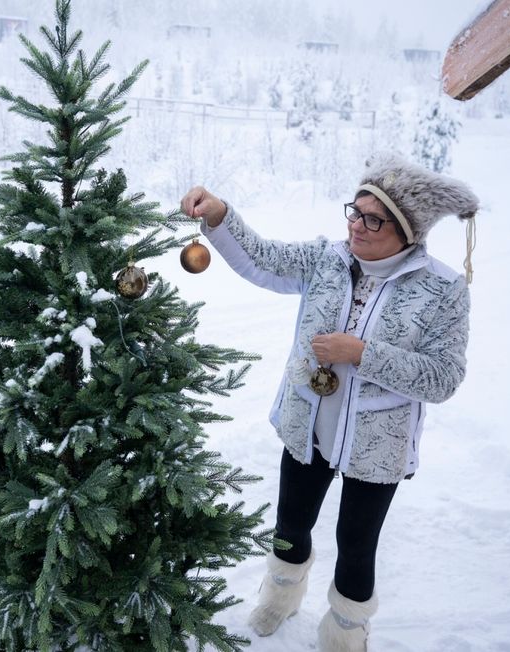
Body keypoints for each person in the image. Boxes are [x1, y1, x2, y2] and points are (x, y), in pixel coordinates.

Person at [180, 153, 479, 652]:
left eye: (373, 219)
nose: (356, 226)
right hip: (308, 427)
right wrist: (219, 214)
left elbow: (444, 378)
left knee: (356, 547)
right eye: (355, 212)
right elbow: (263, 259)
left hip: (376, 448)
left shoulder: (441, 289)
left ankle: (345, 632)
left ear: (407, 232)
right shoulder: (327, 260)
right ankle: (280, 596)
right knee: (290, 526)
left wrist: (361, 354)